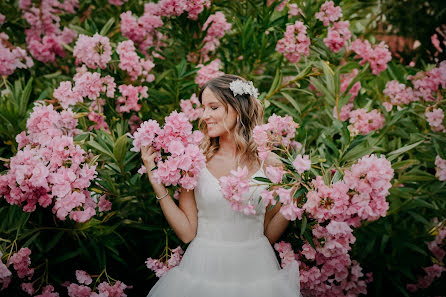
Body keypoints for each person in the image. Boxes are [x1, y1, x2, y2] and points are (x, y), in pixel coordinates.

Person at [142, 74, 301, 297]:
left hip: (256, 271)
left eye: (213, 107)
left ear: (237, 108)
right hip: (202, 267)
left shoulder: (270, 163)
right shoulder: (196, 160)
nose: (205, 115)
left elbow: (267, 232)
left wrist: (294, 197)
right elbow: (187, 233)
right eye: (203, 108)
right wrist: (155, 181)